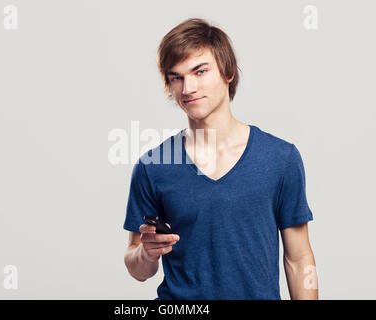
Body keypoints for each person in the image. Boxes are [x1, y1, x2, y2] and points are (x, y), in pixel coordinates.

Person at [123, 18, 318, 300]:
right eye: (176, 77)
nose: (188, 88)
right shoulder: (152, 166)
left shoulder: (280, 158)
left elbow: (299, 259)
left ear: (227, 72)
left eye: (200, 71)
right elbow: (137, 268)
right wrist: (145, 253)